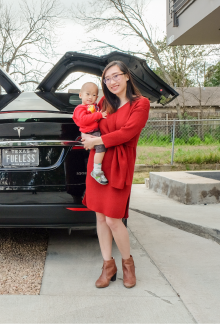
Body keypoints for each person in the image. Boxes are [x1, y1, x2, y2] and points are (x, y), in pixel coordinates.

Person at [80, 61, 150, 289]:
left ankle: (128, 264)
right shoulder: (103, 102)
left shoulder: (141, 104)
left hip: (120, 163)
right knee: (100, 217)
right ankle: (108, 266)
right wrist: (86, 134)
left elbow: (127, 133)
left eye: (115, 76)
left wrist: (96, 140)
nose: (112, 82)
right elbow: (88, 121)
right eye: (107, 79)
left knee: (113, 219)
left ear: (127, 76)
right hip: (98, 164)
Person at [73, 82, 109, 185]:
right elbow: (83, 120)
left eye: (93, 95)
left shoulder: (94, 106)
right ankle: (96, 170)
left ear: (97, 97)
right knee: (101, 147)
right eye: (87, 94)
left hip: (94, 131)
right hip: (91, 132)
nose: (90, 97)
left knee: (101, 148)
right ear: (80, 95)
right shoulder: (80, 108)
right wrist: (99, 115)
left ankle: (97, 169)